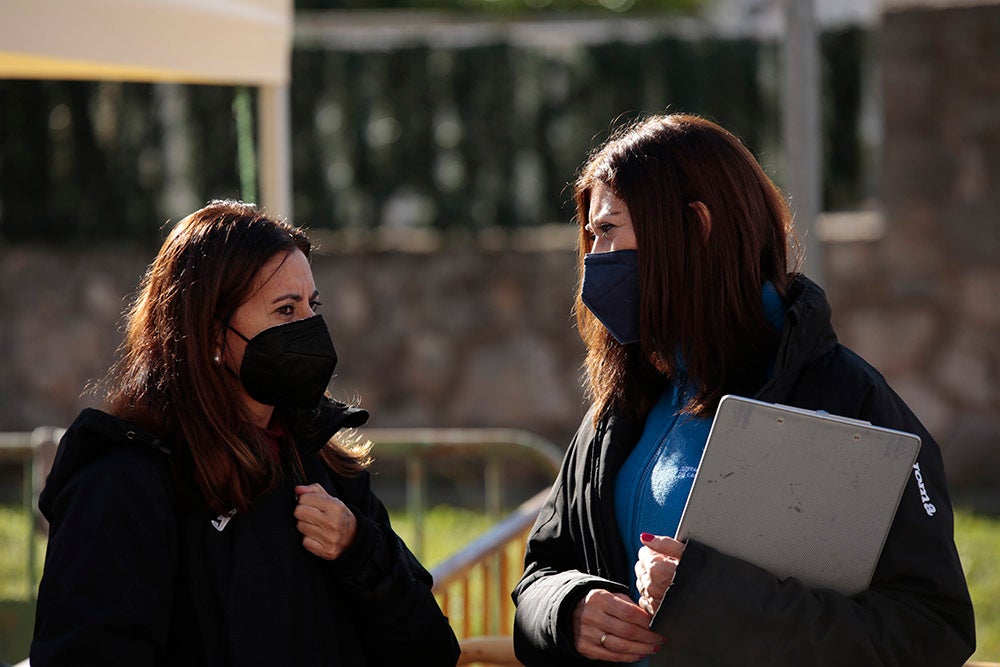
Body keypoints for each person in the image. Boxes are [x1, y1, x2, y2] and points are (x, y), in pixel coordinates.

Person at [511, 114, 975, 666]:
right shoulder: (621, 403)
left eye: (609, 230)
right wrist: (568, 611)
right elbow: (540, 574)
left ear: (697, 227)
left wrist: (713, 601)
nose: (595, 260)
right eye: (590, 237)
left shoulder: (849, 401)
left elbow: (930, 631)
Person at [31, 200, 461, 666]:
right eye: (285, 309)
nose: (310, 327)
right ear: (213, 335)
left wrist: (361, 552)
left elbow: (432, 649)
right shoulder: (123, 483)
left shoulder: (321, 460)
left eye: (311, 305)